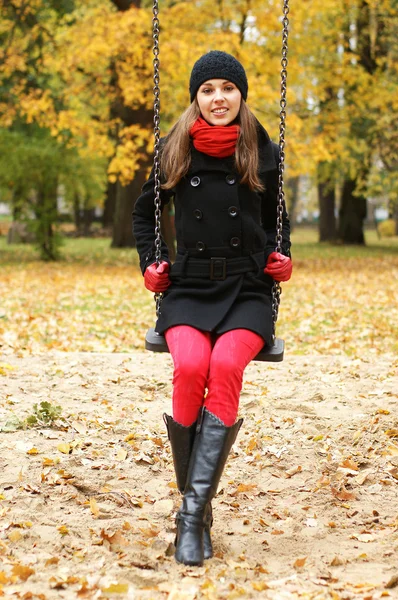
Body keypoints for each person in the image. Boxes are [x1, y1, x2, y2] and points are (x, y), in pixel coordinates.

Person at [132, 50, 292, 566]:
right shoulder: (174, 147)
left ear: (240, 94)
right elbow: (144, 215)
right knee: (191, 367)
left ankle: (190, 517)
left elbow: (276, 218)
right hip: (189, 289)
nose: (218, 98)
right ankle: (195, 511)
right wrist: (153, 261)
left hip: (247, 290)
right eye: (207, 90)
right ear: (196, 97)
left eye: (227, 88)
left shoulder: (261, 147)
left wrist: (280, 257)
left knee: (224, 366)